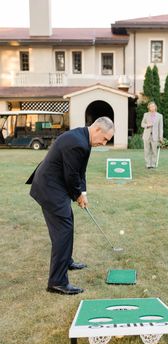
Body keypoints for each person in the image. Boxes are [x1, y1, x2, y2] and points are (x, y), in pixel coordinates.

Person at [26, 117, 114, 295]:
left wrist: (84, 194)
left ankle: (67, 261)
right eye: (104, 139)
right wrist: (77, 195)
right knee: (63, 231)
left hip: (56, 186)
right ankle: (57, 282)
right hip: (50, 188)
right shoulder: (77, 143)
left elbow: (81, 171)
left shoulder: (84, 139)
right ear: (97, 130)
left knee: (67, 223)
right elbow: (71, 175)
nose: (104, 143)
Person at [141, 101, 163, 168]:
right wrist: (147, 125)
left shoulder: (160, 116)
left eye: (153, 106)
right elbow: (142, 124)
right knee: (146, 151)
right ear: (149, 108)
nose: (152, 107)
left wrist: (160, 137)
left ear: (155, 107)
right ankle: (148, 164)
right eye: (151, 106)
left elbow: (160, 127)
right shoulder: (146, 114)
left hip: (155, 136)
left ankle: (153, 164)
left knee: (154, 151)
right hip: (146, 136)